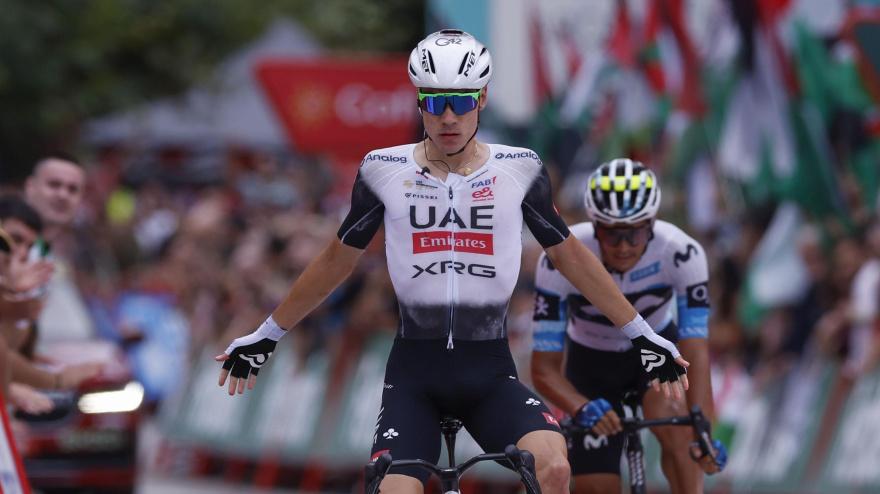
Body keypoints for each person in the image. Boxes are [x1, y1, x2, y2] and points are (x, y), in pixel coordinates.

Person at [216, 30, 688, 494]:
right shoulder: (382, 168)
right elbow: (334, 262)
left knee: (554, 468)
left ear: (481, 99)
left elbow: (572, 258)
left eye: (460, 102)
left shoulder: (520, 167)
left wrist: (642, 334)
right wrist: (266, 334)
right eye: (433, 101)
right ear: (418, 101)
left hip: (490, 374)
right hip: (414, 377)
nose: (446, 117)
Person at [530, 159, 726, 494]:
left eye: (634, 233)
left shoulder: (681, 252)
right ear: (594, 225)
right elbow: (543, 369)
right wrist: (581, 405)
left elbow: (696, 347)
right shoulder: (560, 258)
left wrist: (701, 426)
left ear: (651, 224)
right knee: (596, 486)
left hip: (658, 353)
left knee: (680, 432)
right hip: (590, 363)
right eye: (610, 233)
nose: (623, 246)